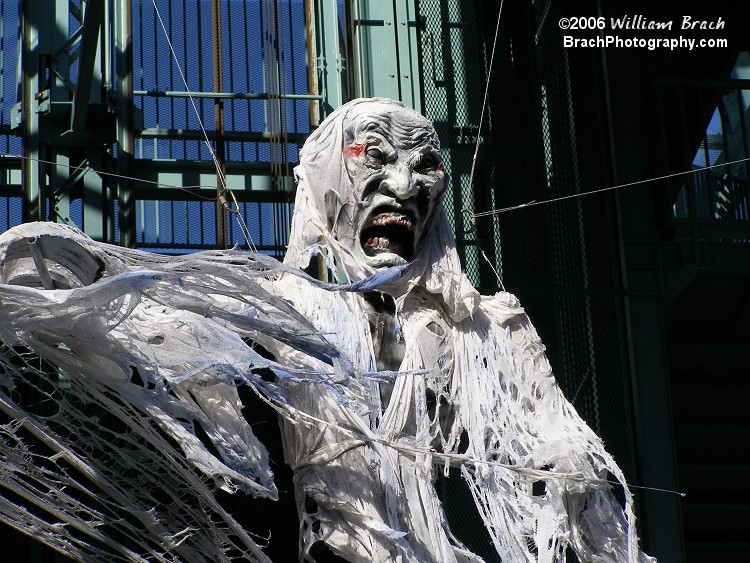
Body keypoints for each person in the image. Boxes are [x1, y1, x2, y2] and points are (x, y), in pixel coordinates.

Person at [0, 98, 654, 563]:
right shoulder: (283, 303)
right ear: (325, 175)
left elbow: (562, 451)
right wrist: (69, 273)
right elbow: (166, 320)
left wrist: (575, 481)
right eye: (374, 155)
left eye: (426, 166)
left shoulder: (483, 330)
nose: (404, 184)